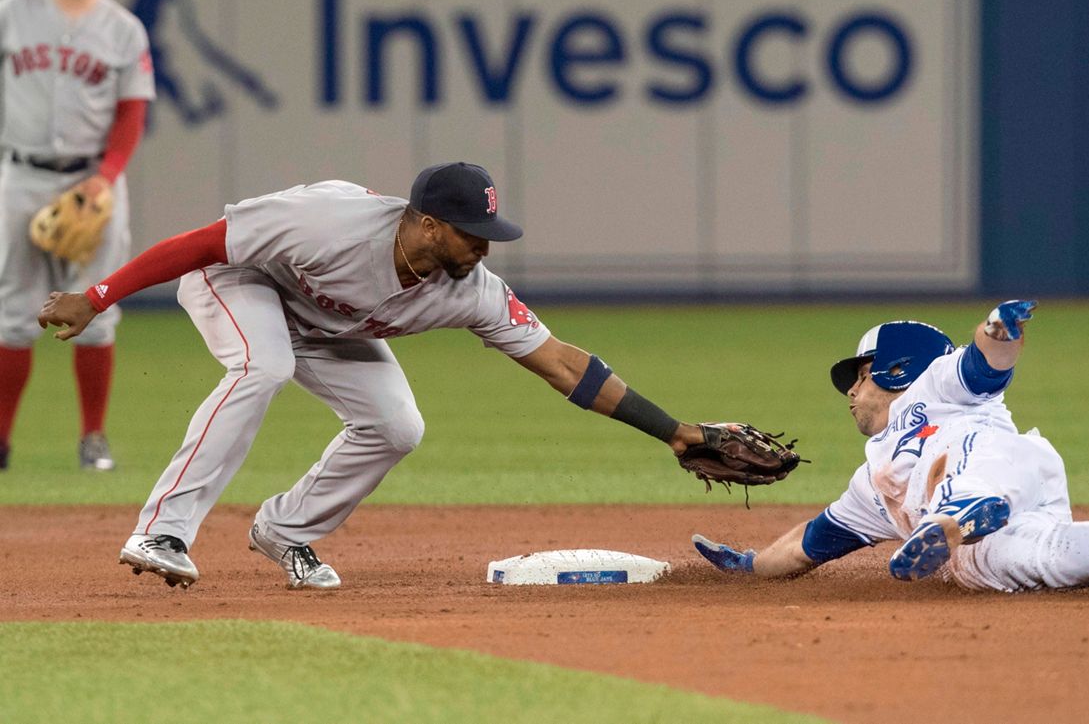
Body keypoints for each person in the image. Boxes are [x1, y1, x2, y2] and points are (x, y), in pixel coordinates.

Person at [38, 162, 711, 590]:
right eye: (470, 230)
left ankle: (286, 529)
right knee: (263, 363)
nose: (483, 245)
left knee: (397, 425)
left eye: (488, 231)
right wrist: (97, 298)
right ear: (422, 222)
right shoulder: (327, 222)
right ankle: (163, 528)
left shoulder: (470, 288)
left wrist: (675, 432)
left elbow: (564, 364)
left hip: (326, 323)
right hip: (238, 281)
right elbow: (200, 245)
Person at [691, 301, 1089, 591]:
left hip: (1003, 467)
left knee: (950, 469)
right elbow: (809, 543)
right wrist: (748, 565)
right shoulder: (871, 481)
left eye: (859, 376)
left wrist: (998, 331)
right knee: (1023, 563)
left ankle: (960, 514)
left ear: (895, 368)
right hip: (999, 525)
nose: (852, 392)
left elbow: (986, 367)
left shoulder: (936, 385)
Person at [0, 0, 154, 471]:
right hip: (19, 174)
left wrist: (106, 176)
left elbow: (132, 113)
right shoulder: (12, 15)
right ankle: (0, 441)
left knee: (96, 305)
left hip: (92, 180)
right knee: (10, 312)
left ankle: (93, 438)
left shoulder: (122, 27)